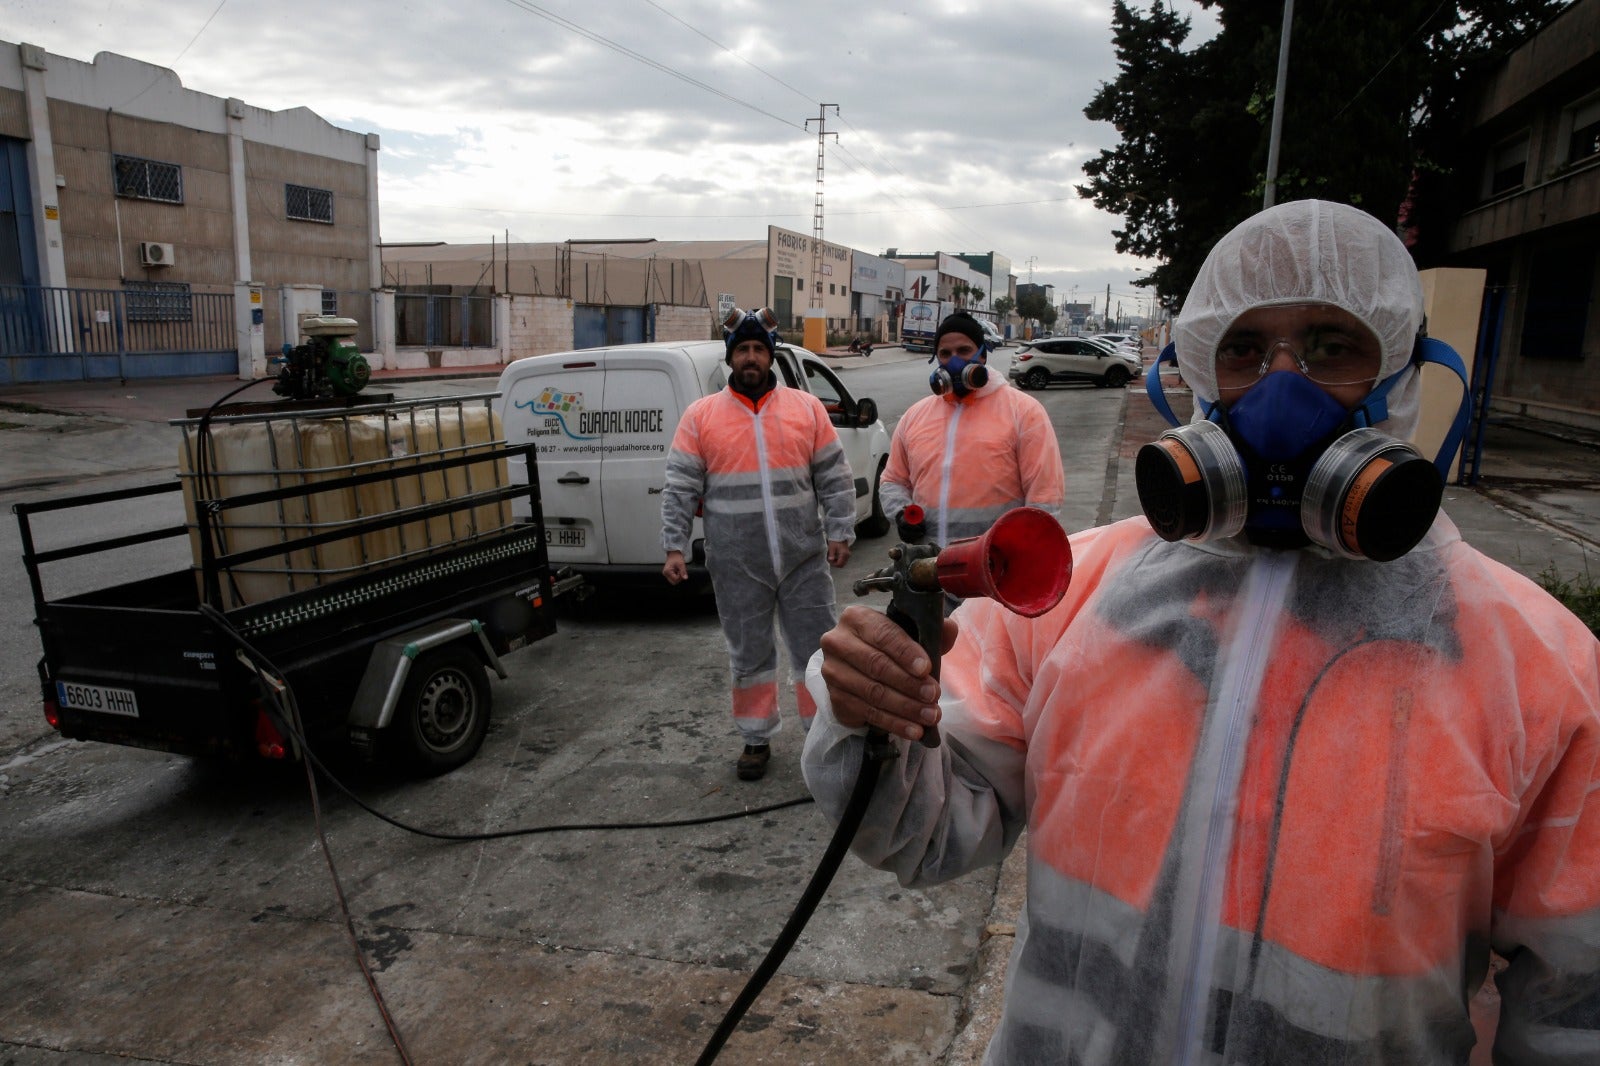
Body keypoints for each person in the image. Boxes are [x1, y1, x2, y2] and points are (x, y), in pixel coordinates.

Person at [802, 201, 1600, 1062]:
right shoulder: (1074, 596)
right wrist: (874, 714)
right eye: (1245, 350)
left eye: (1332, 347)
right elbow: (929, 833)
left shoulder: (1534, 665)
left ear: (1403, 370)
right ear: (1197, 371)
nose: (1280, 388)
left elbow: (1574, 1009)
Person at [662, 307, 855, 781]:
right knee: (748, 652)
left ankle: (821, 734)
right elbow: (680, 485)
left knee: (816, 649)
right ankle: (755, 738)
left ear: (771, 356)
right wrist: (674, 545)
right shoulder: (701, 416)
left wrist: (840, 530)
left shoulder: (805, 408)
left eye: (758, 350)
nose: (751, 358)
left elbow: (834, 476)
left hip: (803, 556)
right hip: (737, 561)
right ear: (731, 358)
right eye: (742, 350)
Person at [880, 309, 1064, 557]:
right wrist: (901, 513)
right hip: (929, 569)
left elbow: (1045, 495)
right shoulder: (915, 416)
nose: (954, 360)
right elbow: (893, 480)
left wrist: (1028, 554)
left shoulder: (1024, 412)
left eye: (964, 351)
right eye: (945, 353)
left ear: (982, 356)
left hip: (994, 569)